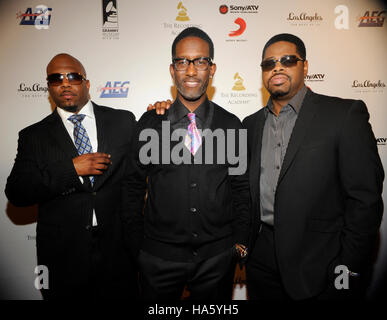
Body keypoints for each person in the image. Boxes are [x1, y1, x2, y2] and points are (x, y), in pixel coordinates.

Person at [242, 33, 384, 300]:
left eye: (288, 60)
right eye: (269, 63)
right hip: (261, 260)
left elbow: (365, 201)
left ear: (305, 66)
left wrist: (346, 270)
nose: (278, 67)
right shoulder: (250, 125)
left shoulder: (344, 115)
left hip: (320, 262)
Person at [121, 27, 250, 300]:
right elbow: (132, 187)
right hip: (157, 260)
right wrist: (137, 249)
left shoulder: (231, 125)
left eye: (200, 61)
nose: (191, 71)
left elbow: (240, 190)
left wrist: (239, 245)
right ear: (172, 69)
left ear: (212, 69)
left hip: (217, 260)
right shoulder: (150, 123)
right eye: (182, 62)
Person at [5, 53, 138, 300]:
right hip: (64, 257)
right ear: (49, 88)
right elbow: (17, 192)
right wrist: (71, 170)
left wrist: (162, 115)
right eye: (56, 79)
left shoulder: (123, 121)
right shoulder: (33, 136)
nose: (65, 83)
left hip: (119, 252)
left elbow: (145, 168)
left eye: (73, 77)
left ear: (86, 83)